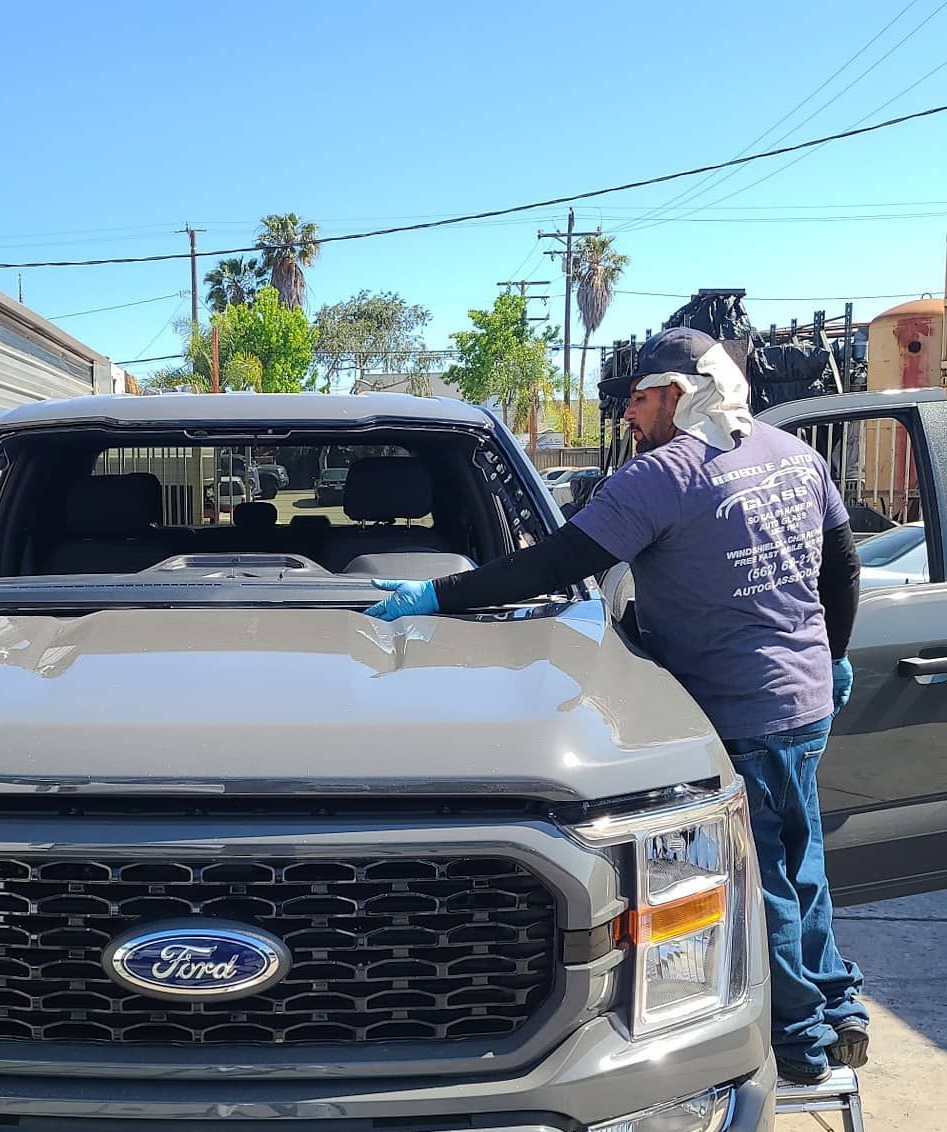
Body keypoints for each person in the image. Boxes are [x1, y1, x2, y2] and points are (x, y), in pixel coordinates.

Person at [367, 327, 866, 1085]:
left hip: (737, 711)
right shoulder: (792, 454)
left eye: (637, 399)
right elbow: (844, 564)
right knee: (803, 857)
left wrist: (438, 594)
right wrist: (830, 656)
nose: (629, 417)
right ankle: (840, 1002)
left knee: (761, 878)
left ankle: (799, 1036)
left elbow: (557, 565)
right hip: (805, 702)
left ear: (679, 392)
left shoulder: (662, 476)